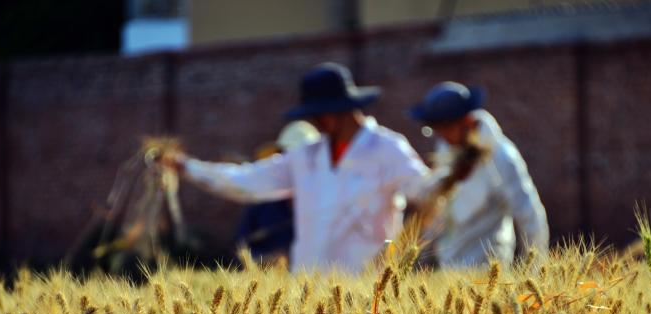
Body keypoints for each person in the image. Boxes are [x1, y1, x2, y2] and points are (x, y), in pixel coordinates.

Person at [166, 63, 476, 272]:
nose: (313, 121)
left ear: (337, 112)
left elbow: (424, 193)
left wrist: (453, 174)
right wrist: (187, 167)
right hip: (308, 293)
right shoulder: (306, 157)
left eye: (318, 114)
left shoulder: (387, 149)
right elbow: (247, 181)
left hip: (364, 293)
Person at [409, 82, 549, 266]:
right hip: (448, 270)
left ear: (466, 121)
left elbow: (529, 216)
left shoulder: (502, 158)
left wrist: (534, 271)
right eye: (435, 129)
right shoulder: (448, 148)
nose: (440, 136)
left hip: (487, 271)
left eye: (445, 128)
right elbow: (444, 208)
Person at [234, 121, 320, 265]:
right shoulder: (261, 204)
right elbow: (241, 248)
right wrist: (266, 261)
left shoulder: (328, 204)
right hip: (268, 284)